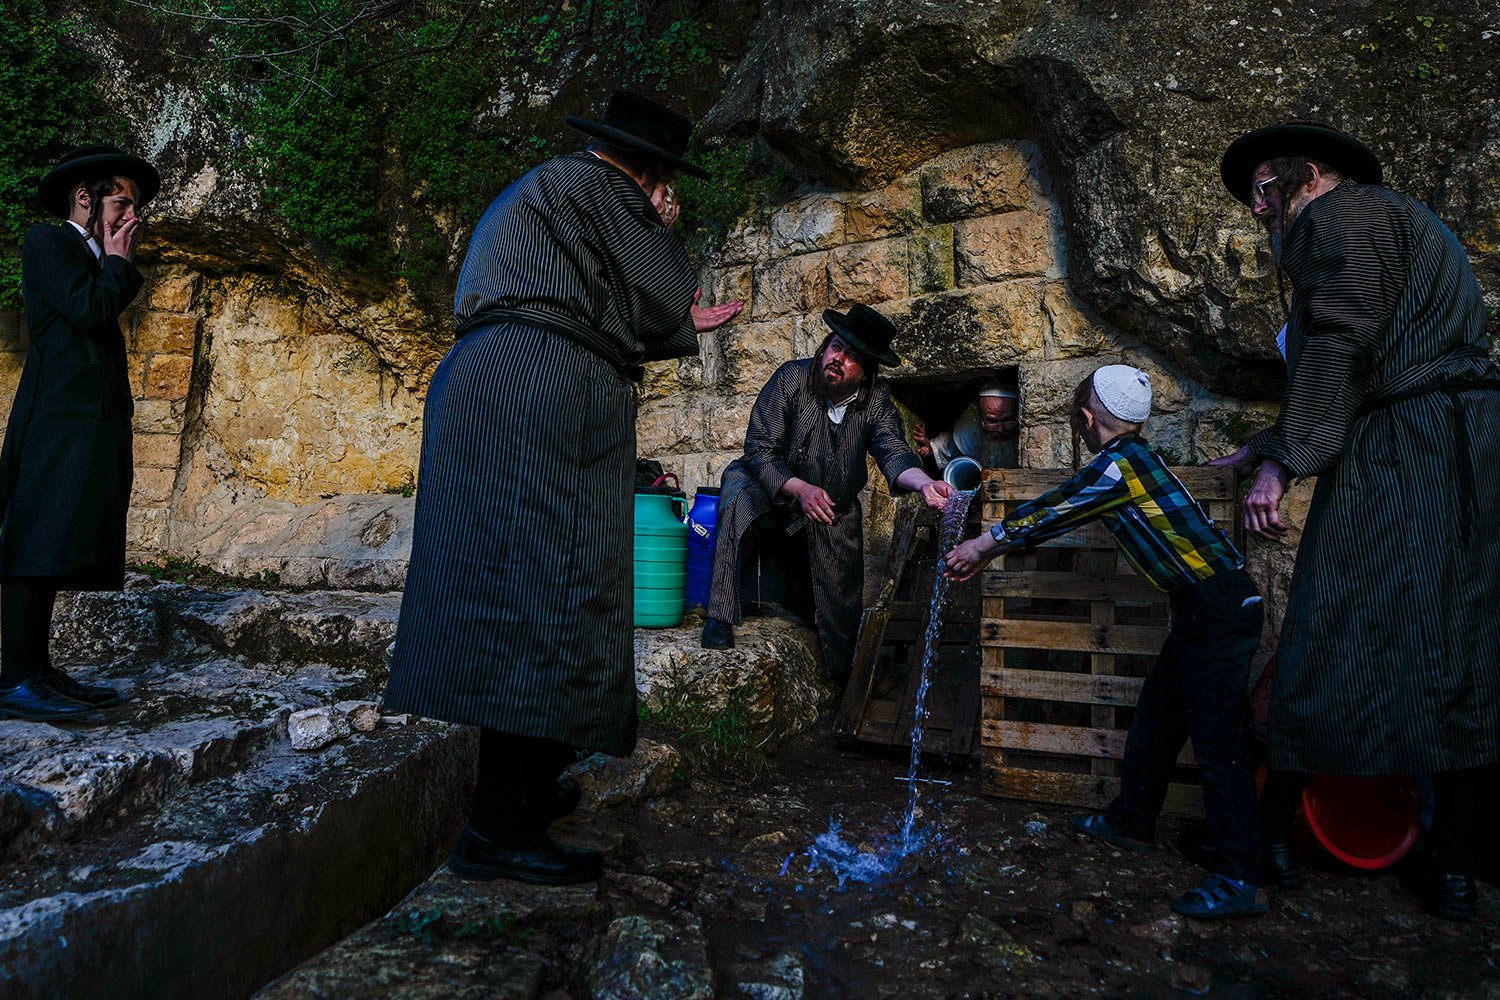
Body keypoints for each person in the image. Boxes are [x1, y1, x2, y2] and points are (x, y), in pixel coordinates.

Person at [383, 91, 743, 886]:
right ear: (649, 166)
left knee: (509, 587)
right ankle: (497, 831)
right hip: (542, 391)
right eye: (660, 179)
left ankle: (523, 788)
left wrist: (674, 316)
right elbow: (661, 289)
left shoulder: (540, 190)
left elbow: (624, 308)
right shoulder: (607, 189)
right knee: (549, 592)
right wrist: (661, 226)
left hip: (488, 380)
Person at [1212, 122, 1500, 920]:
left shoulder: (1339, 215)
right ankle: (1452, 871)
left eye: (1264, 194)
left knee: (1328, 622)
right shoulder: (1399, 221)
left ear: (1304, 175)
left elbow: (1340, 343)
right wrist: (1267, 439)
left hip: (1407, 449)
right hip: (1460, 446)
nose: (1262, 214)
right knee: (1460, 641)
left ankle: (1268, 845)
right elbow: (1373, 351)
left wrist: (1285, 459)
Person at [947, 365, 1269, 919]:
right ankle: (1131, 821)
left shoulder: (1119, 466)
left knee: (1218, 743)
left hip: (1218, 608)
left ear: (1087, 418)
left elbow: (1060, 506)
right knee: (1159, 719)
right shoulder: (1136, 459)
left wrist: (984, 544)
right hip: (1202, 608)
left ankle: (1242, 875)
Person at [699, 304, 953, 681]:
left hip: (831, 504)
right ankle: (720, 616)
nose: (839, 359)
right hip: (770, 485)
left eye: (852, 357)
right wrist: (799, 488)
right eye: (836, 347)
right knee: (736, 491)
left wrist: (925, 483)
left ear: (866, 372)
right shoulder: (791, 378)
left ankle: (837, 671)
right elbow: (759, 448)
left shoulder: (876, 401)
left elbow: (893, 451)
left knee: (839, 596)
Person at [0, 145, 159, 722]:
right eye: (122, 203)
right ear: (85, 199)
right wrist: (118, 263)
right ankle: (14, 678)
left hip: (85, 422)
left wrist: (112, 262)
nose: (131, 217)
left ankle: (37, 670)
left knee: (58, 536)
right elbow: (89, 312)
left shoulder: (95, 259)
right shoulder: (50, 242)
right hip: (53, 420)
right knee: (33, 539)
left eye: (134, 207)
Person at [915, 380, 1020, 472]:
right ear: (981, 416)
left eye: (1007, 420)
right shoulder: (969, 427)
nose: (1000, 429)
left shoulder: (1023, 428)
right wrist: (931, 448)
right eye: (992, 421)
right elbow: (949, 445)